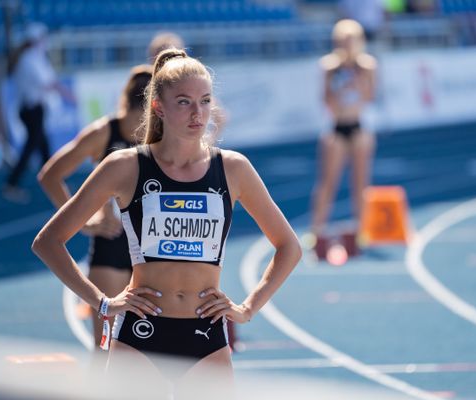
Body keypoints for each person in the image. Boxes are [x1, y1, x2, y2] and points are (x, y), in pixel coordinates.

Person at [32, 48, 301, 397]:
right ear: (158, 106)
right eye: (184, 102)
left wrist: (248, 308)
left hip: (207, 338)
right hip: (141, 338)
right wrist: (101, 302)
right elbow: (48, 242)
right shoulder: (124, 166)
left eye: (205, 101)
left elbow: (289, 246)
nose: (198, 113)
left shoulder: (234, 169)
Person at [37, 65, 152, 349]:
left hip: (151, 246)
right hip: (111, 243)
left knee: (147, 350)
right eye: (145, 117)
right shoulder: (103, 133)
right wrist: (83, 223)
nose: (147, 127)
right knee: (106, 345)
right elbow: (51, 175)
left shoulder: (159, 138)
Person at [310, 19, 377, 244]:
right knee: (328, 182)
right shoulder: (329, 66)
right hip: (336, 128)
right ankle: (317, 231)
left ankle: (363, 231)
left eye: (352, 40)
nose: (348, 45)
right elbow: (326, 99)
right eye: (343, 41)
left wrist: (357, 83)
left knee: (361, 183)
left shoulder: (367, 66)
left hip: (358, 127)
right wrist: (340, 89)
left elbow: (370, 97)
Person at [3, 22, 72, 203]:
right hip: (31, 109)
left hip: (34, 108)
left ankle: (51, 181)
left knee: (42, 146)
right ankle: (14, 183)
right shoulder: (30, 59)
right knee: (33, 145)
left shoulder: (32, 57)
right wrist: (68, 95)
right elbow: (48, 82)